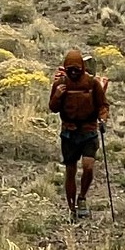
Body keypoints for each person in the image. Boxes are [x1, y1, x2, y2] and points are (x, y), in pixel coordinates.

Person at [48, 49, 110, 217]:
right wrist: (57, 96)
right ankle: (72, 208)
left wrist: (102, 120)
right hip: (69, 132)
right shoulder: (60, 84)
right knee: (70, 170)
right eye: (70, 69)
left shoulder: (92, 84)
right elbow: (53, 108)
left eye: (76, 69)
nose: (73, 72)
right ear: (65, 69)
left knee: (88, 166)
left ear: (82, 67)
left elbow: (103, 105)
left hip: (89, 130)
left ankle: (82, 197)